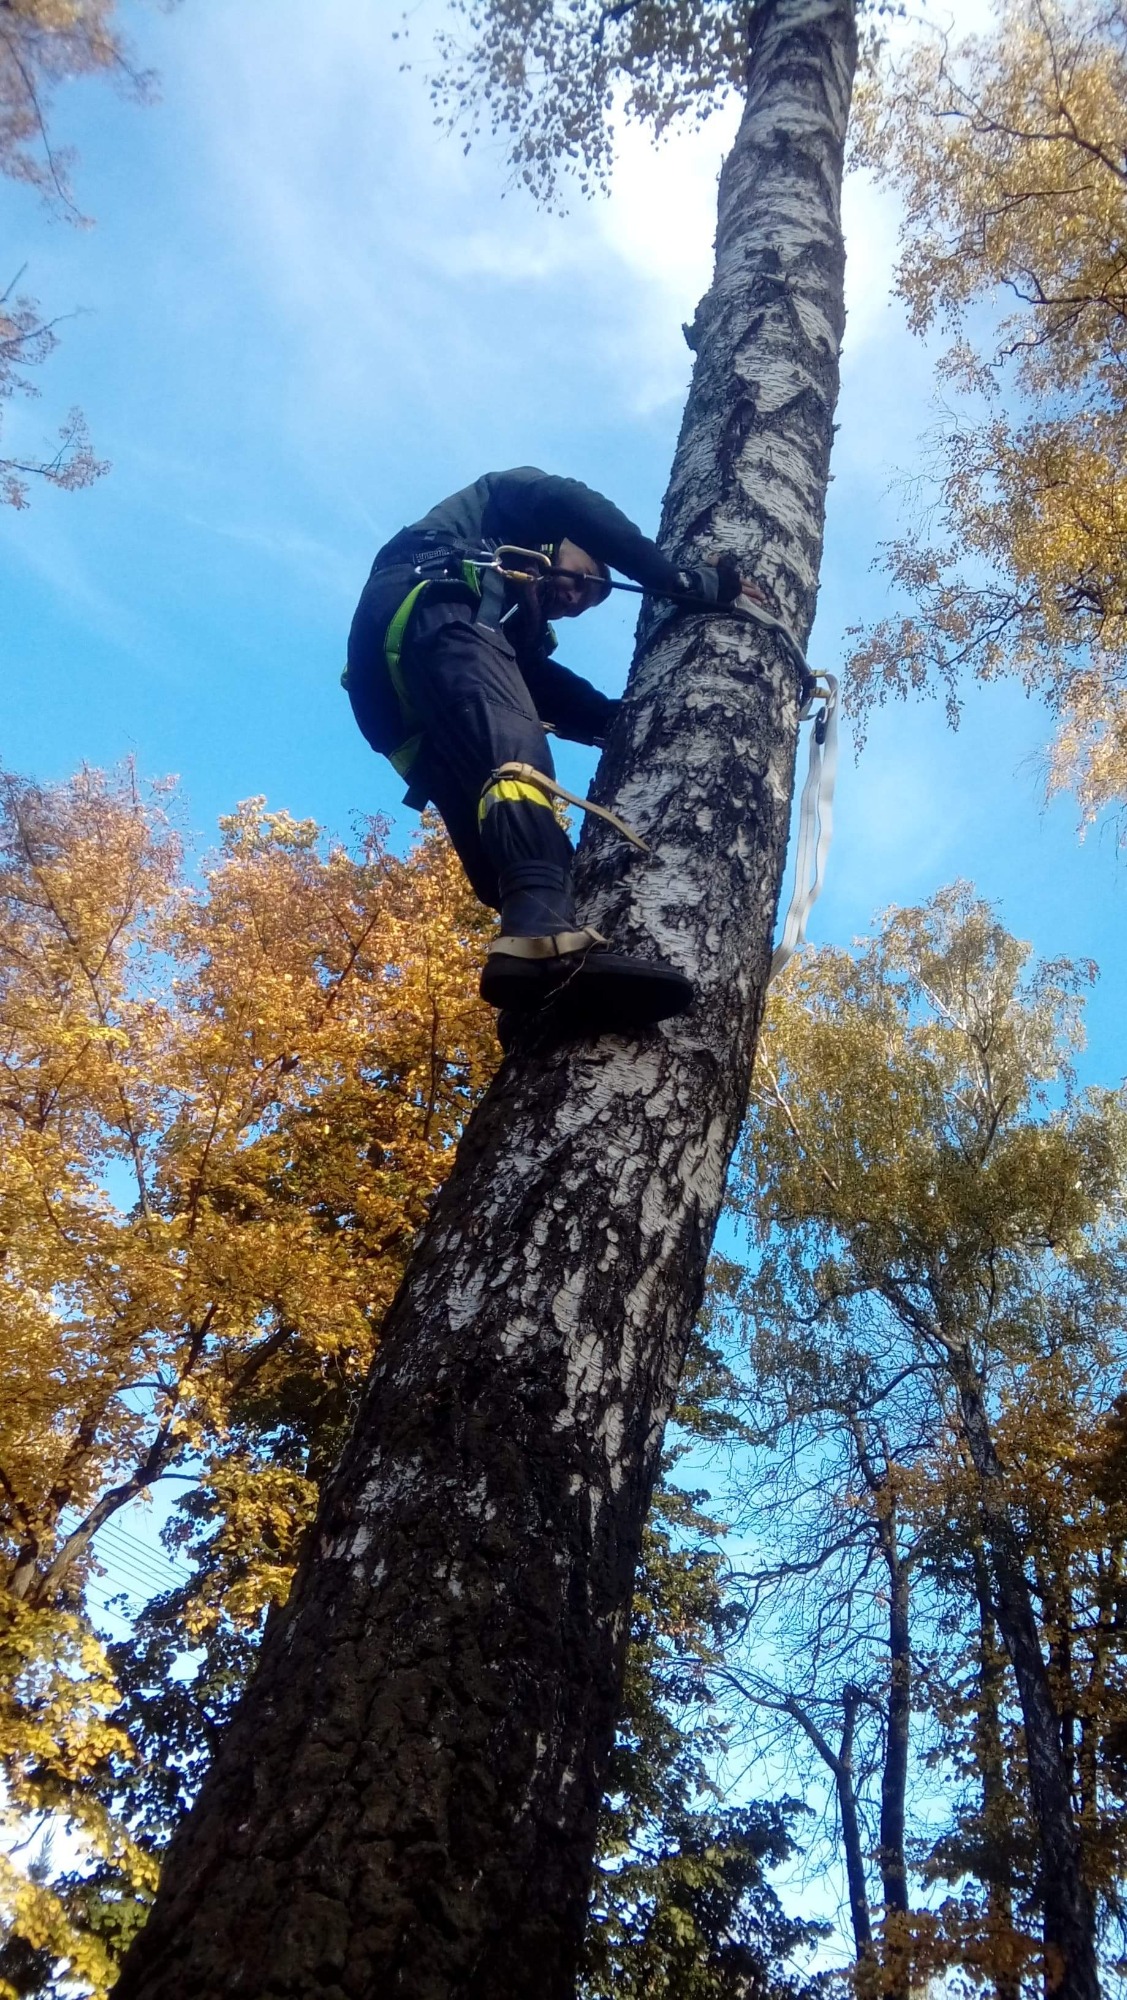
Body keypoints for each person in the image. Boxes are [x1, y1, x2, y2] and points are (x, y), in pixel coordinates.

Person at [344, 466, 745, 1039]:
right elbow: (569, 500)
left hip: (407, 701)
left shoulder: (508, 631)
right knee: (519, 762)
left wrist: (619, 721)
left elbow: (537, 683)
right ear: (560, 541)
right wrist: (676, 580)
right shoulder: (503, 507)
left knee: (503, 866)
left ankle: (536, 991)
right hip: (431, 606)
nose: (576, 597)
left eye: (584, 604)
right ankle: (541, 948)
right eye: (584, 576)